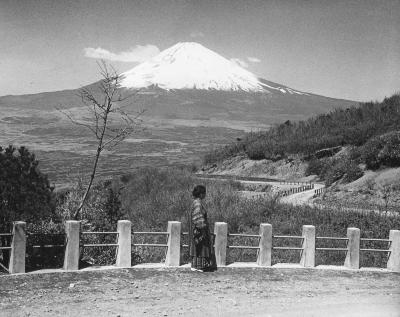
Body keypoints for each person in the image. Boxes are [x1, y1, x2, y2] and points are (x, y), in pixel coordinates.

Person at [188, 185, 217, 272]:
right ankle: (200, 266)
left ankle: (195, 265)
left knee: (197, 247)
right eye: (204, 193)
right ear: (201, 194)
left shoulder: (195, 202)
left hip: (195, 229)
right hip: (199, 230)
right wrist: (203, 228)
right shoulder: (198, 204)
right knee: (202, 246)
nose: (205, 195)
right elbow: (198, 218)